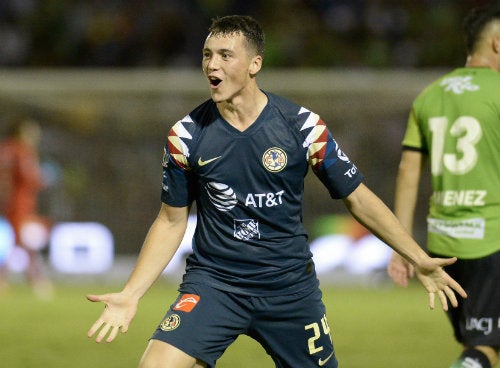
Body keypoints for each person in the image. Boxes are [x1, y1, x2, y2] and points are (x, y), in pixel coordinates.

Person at [87, 15, 466, 368]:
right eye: (206, 55)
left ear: (255, 64)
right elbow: (171, 221)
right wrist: (131, 293)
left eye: (224, 55)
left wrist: (416, 256)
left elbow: (358, 197)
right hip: (216, 285)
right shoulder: (186, 136)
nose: (211, 65)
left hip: (289, 290)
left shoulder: (303, 127)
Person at [387, 5, 500, 368]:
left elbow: (408, 170)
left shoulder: (430, 95)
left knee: (483, 343)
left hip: (443, 247)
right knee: (483, 349)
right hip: (493, 242)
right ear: (497, 44)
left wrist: (402, 246)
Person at [0, 116, 53, 298]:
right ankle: (35, 280)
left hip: (9, 203)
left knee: (15, 241)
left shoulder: (6, 148)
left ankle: (16, 280)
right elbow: (28, 177)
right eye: (31, 130)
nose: (34, 134)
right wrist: (43, 178)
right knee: (23, 241)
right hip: (20, 204)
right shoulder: (21, 151)